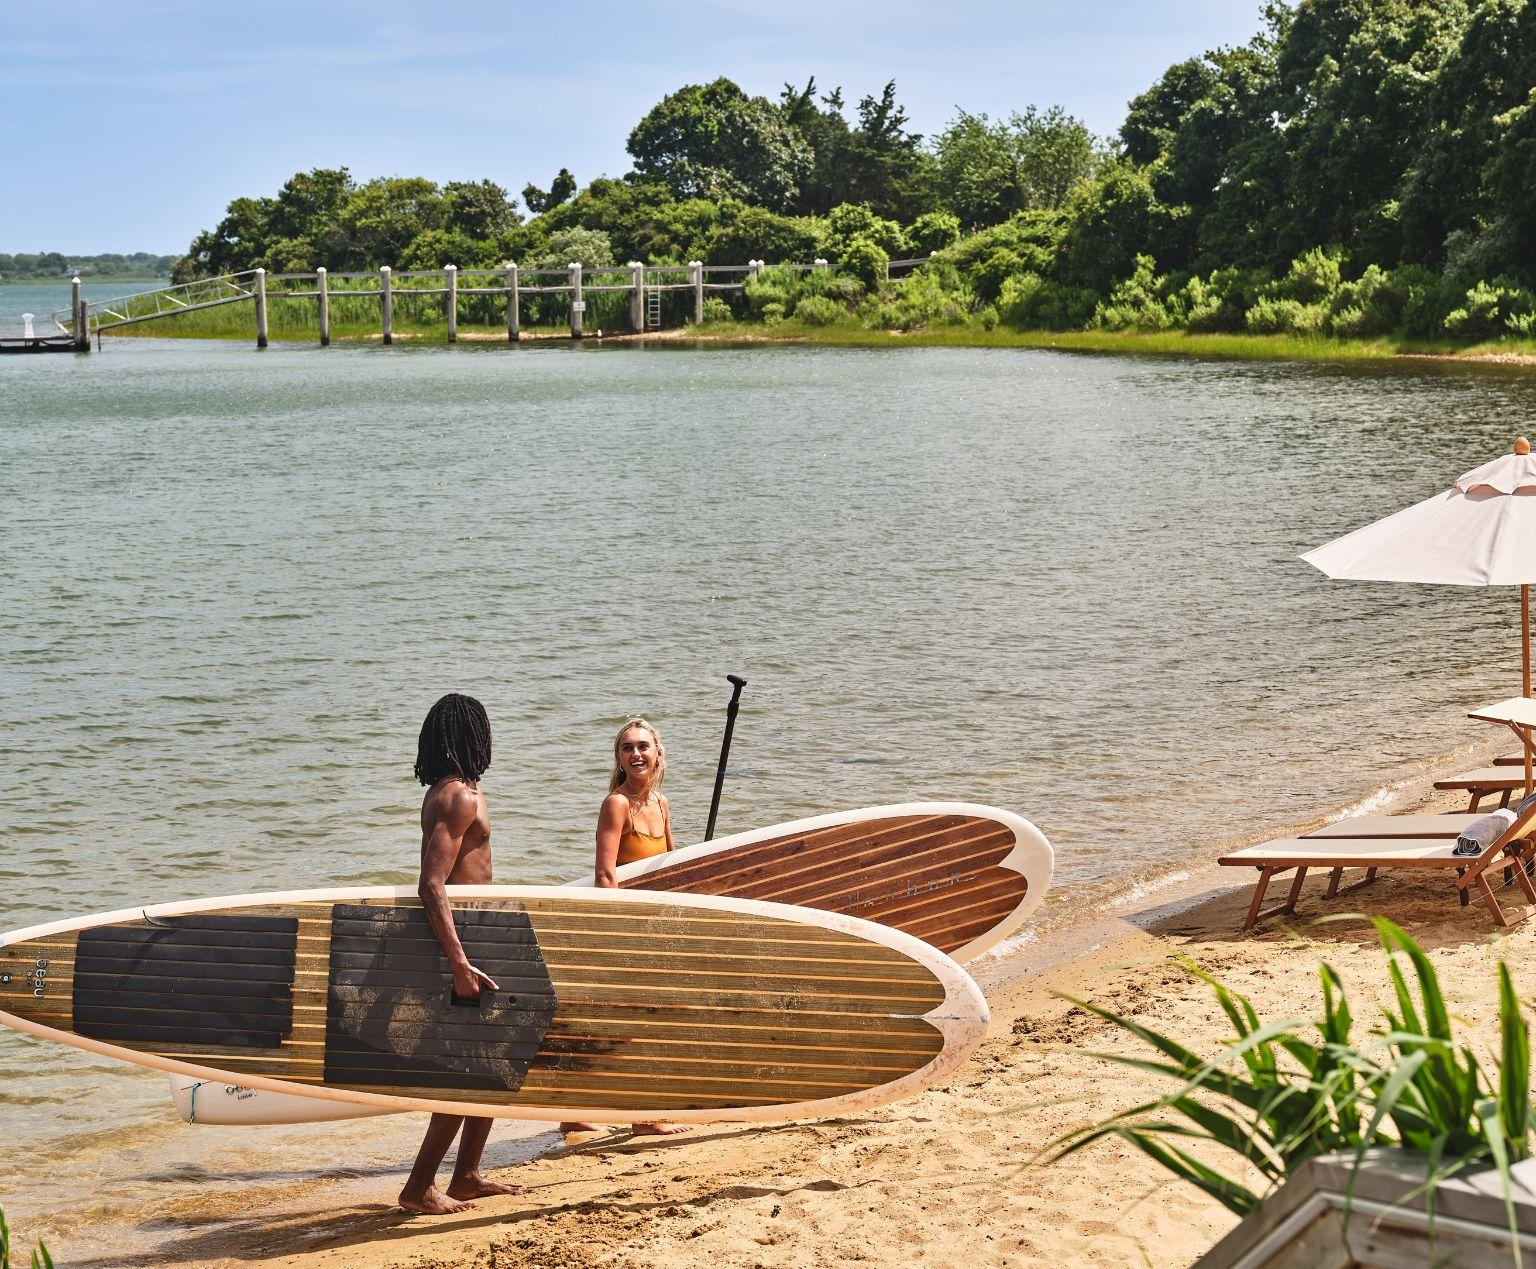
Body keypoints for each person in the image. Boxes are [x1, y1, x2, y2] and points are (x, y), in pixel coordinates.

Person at [397, 692, 525, 1216]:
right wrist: (458, 962)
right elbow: (431, 885)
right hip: (463, 947)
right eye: (484, 730)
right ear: (472, 738)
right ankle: (417, 1187)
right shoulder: (458, 798)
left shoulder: (455, 792)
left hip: (478, 939)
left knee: (494, 1062)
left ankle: (467, 1175)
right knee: (466, 1070)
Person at [560, 718, 688, 1138]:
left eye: (643, 747)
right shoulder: (616, 804)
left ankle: (571, 1108)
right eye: (627, 748)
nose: (636, 754)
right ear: (618, 758)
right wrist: (623, 932)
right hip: (627, 924)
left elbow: (671, 868)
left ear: (658, 753)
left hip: (655, 923)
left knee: (618, 1016)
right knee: (637, 1014)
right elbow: (605, 874)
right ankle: (641, 1115)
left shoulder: (661, 804)